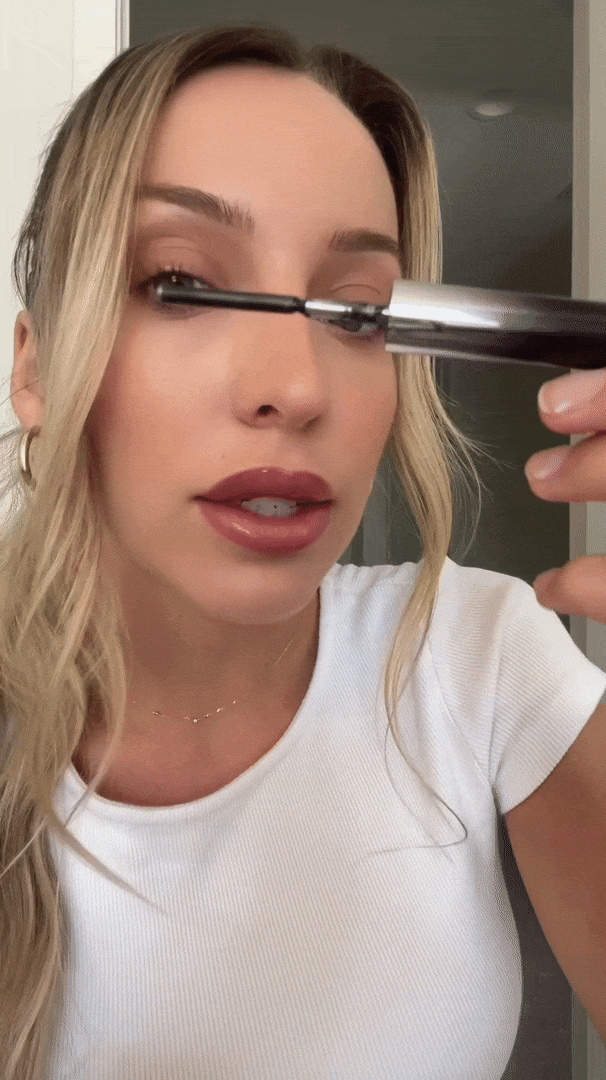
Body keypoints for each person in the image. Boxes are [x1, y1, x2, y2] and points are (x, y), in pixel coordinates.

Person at [2, 21, 606, 1080]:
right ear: (35, 370)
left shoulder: (482, 658)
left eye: (360, 316)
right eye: (182, 286)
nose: (297, 386)